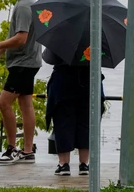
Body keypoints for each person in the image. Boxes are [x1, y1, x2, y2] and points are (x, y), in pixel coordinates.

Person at [0, 0, 41, 165]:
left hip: (23, 62)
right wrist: (1, 51)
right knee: (25, 103)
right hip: (29, 61)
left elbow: (21, 38)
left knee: (4, 103)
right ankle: (28, 150)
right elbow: (15, 34)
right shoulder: (27, 3)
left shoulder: (23, 6)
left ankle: (12, 147)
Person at [43, 47, 102, 177]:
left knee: (63, 123)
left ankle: (64, 164)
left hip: (63, 83)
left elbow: (49, 57)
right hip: (89, 80)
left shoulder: (60, 34)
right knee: (86, 123)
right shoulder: (95, 32)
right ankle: (84, 164)